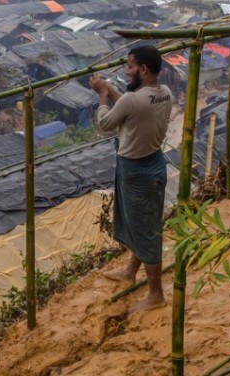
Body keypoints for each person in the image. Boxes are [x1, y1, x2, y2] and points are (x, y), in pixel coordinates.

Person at [90, 44, 173, 312]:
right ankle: (130, 271)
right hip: (154, 164)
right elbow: (129, 109)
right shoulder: (164, 93)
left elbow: (105, 123)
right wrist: (112, 92)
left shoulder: (132, 100)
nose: (127, 71)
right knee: (143, 224)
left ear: (144, 69)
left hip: (136, 172)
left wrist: (102, 95)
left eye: (130, 66)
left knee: (146, 231)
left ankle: (156, 294)